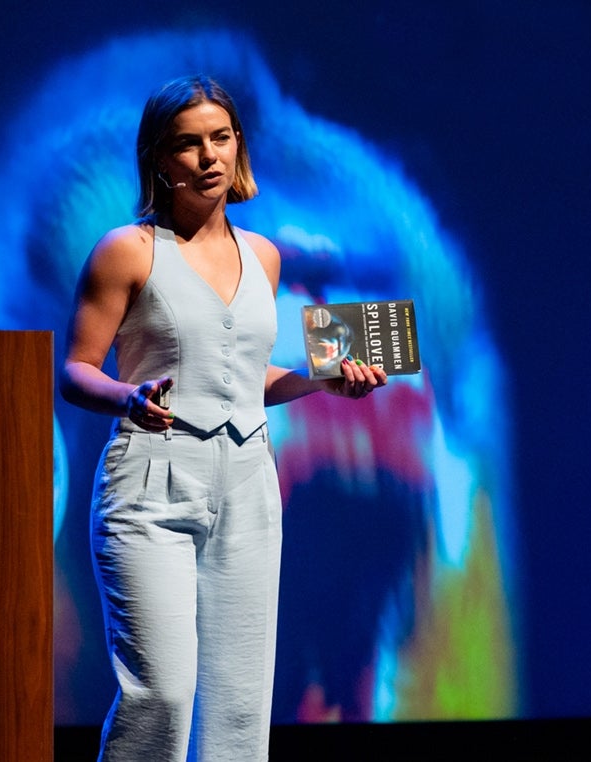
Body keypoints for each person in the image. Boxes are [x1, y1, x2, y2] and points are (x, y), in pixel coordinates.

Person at [59, 74, 387, 761]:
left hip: (246, 483)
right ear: (159, 158)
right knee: (161, 695)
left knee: (239, 706)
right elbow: (77, 369)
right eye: (188, 143)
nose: (208, 156)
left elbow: (242, 380)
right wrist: (126, 396)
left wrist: (322, 380)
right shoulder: (128, 249)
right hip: (151, 483)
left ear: (238, 148)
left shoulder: (263, 256)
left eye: (221, 138)